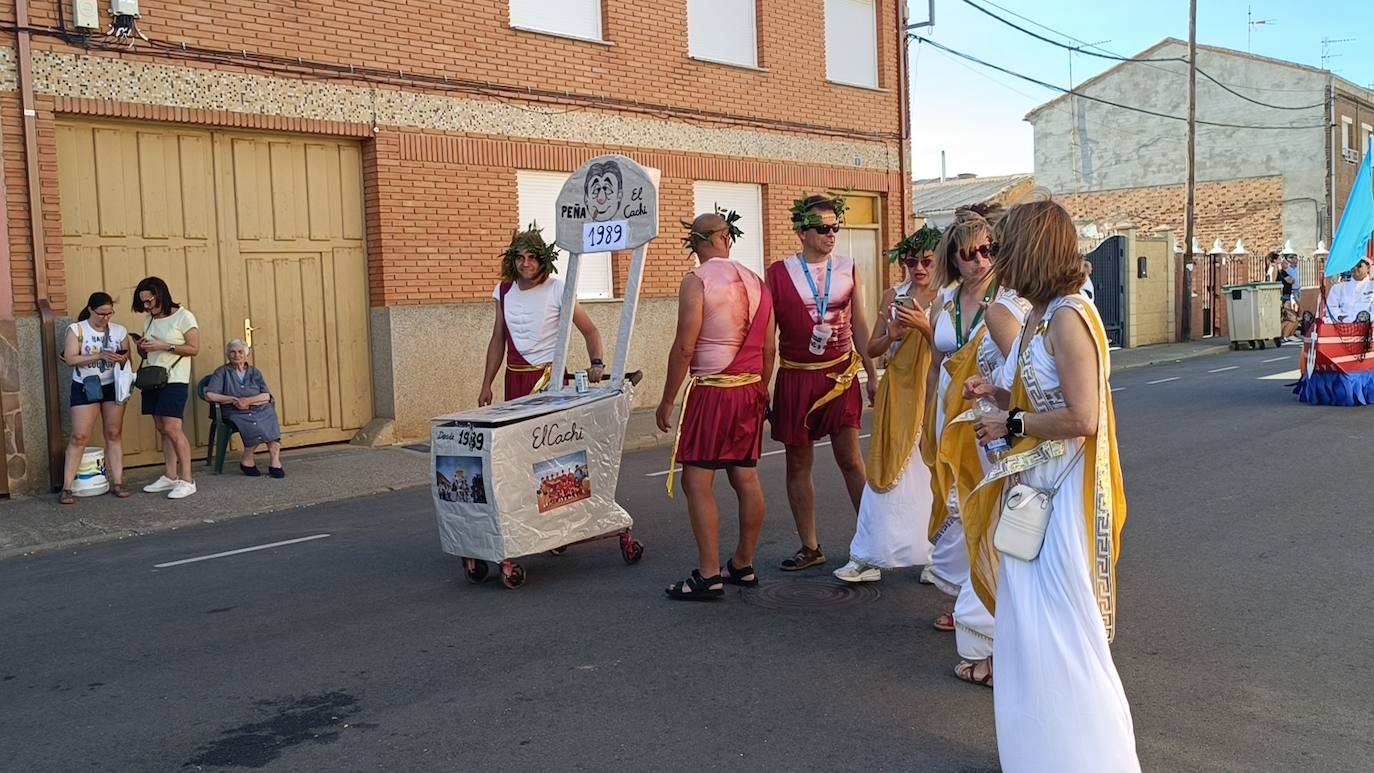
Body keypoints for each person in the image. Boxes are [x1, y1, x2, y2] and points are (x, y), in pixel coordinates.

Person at [967, 200, 1139, 772]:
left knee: (1062, 633)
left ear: (1032, 248)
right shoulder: (1039, 314)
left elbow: (1083, 418)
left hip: (1061, 499)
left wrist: (1009, 422)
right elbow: (1038, 396)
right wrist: (997, 398)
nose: (997, 257)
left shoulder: (1069, 316)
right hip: (1035, 488)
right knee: (1027, 632)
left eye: (1005, 245)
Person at [923, 209, 1029, 687]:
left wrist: (997, 401)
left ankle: (982, 609)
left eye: (988, 250)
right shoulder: (944, 300)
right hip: (952, 410)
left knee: (986, 505)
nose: (980, 260)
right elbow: (937, 360)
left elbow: (1022, 375)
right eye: (969, 253)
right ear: (955, 257)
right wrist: (929, 414)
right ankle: (971, 594)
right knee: (959, 500)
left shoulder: (1007, 304)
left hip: (991, 417)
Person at [657, 210, 775, 600]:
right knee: (745, 477)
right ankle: (743, 563)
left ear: (695, 242)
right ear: (729, 238)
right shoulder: (758, 281)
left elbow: (685, 346)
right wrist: (763, 387)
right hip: (750, 389)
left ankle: (709, 574)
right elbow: (770, 348)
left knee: (696, 480)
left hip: (712, 390)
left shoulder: (696, 282)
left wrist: (667, 399)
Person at [765, 194, 878, 571]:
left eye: (835, 228)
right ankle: (810, 546)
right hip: (796, 377)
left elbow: (859, 323)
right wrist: (762, 386)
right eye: (822, 229)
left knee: (851, 459)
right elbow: (768, 335)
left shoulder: (847, 267)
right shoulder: (778, 273)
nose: (831, 235)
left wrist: (871, 371)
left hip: (840, 375)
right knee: (798, 462)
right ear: (801, 231)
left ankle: (872, 541)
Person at [832, 226, 940, 583]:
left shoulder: (947, 299)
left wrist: (924, 326)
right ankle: (869, 555)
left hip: (931, 387)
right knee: (884, 467)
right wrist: (891, 334)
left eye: (926, 261)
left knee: (929, 473)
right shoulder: (894, 295)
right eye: (911, 261)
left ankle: (934, 555)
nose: (918, 268)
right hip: (897, 390)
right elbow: (872, 349)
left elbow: (951, 349)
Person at [478, 225, 605, 405]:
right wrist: (486, 384)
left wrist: (597, 363)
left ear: (543, 259)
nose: (526, 264)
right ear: (512, 260)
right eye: (520, 258)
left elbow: (590, 330)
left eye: (532, 257)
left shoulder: (558, 289)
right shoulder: (503, 290)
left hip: (548, 379)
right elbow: (498, 339)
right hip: (514, 377)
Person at [60, 292, 131, 504]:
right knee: (80, 436)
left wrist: (120, 358)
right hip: (86, 385)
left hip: (112, 383)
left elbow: (128, 358)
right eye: (101, 313)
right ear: (90, 310)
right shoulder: (77, 330)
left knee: (113, 432)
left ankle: (118, 481)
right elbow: (70, 358)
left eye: (109, 313)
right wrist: (99, 355)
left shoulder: (119, 330)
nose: (105, 318)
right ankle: (67, 487)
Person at [133, 277, 200, 500]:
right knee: (162, 428)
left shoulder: (184, 316)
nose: (146, 306)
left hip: (175, 379)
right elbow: (149, 353)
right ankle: (170, 475)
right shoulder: (148, 320)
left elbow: (193, 348)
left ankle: (188, 480)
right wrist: (142, 348)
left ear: (160, 294)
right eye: (143, 302)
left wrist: (165, 345)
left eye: (149, 301)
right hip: (153, 378)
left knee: (173, 428)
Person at [205, 340, 286, 478]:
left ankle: (275, 460)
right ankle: (247, 459)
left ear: (246, 354)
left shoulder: (254, 372)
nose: (236, 355)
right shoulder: (221, 372)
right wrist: (233, 400)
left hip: (257, 407)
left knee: (270, 415)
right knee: (252, 422)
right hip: (233, 411)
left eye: (240, 352)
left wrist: (248, 401)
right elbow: (209, 395)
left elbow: (266, 395)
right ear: (228, 354)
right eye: (233, 352)